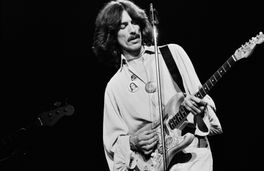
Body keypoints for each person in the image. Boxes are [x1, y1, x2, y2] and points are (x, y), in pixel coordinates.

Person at [92, 0, 222, 170]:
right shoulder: (114, 87)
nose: (132, 30)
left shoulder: (172, 53)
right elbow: (112, 145)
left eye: (135, 23)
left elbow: (208, 109)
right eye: (123, 26)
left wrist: (200, 109)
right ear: (112, 34)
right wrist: (133, 142)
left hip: (194, 159)